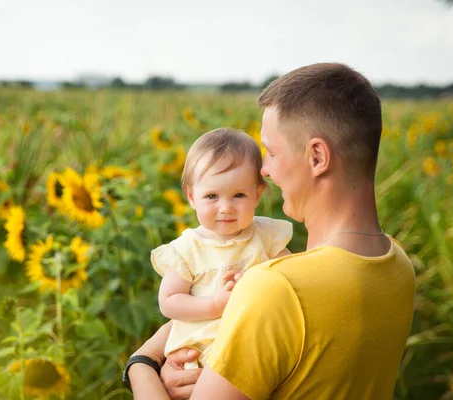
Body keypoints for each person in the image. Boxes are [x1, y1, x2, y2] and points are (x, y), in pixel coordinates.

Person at [125, 63, 416, 400]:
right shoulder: (398, 265)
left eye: (273, 152)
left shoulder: (275, 288)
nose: (264, 169)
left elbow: (278, 304)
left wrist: (142, 364)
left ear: (318, 157)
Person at [150, 127, 293, 370]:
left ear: (257, 194)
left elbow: (291, 273)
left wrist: (259, 277)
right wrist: (215, 304)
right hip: (203, 350)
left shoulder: (266, 237)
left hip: (255, 344)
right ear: (192, 197)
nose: (225, 207)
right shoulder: (188, 250)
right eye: (212, 197)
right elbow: (169, 301)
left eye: (238, 195)